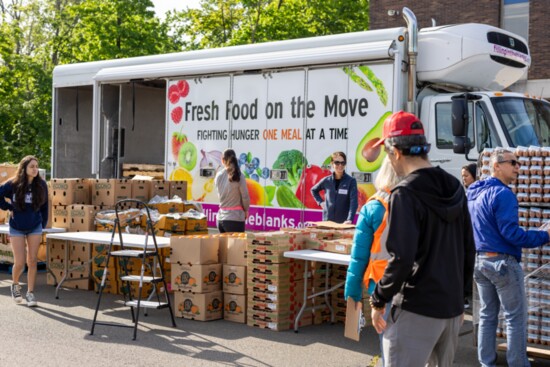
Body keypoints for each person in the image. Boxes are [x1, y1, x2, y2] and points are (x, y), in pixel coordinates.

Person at [368, 111, 475, 366]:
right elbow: (468, 249)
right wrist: (461, 299)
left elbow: (402, 258)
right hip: (450, 309)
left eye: (386, 153)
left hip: (416, 308)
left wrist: (379, 299)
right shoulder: (455, 186)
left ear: (395, 152)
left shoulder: (404, 194)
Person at [467, 148, 550, 367]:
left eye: (518, 163)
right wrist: (544, 235)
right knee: (515, 317)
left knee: (487, 315)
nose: (517, 167)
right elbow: (511, 234)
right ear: (496, 166)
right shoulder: (503, 194)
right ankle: (518, 364)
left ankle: (486, 363)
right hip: (501, 262)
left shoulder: (473, 194)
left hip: (480, 261)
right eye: (512, 163)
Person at [344, 157, 401, 363]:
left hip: (381, 284)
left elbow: (358, 256)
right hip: (415, 284)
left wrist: (352, 291)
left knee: (388, 344)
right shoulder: (417, 203)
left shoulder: (373, 207)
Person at [0, 156, 48, 307]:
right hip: (17, 227)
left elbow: (45, 206)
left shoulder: (41, 184)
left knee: (32, 260)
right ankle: (15, 285)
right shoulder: (13, 184)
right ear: (24, 168)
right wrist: (9, 207)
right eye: (32, 166)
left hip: (35, 226)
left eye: (36, 166)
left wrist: (43, 224)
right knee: (20, 262)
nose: (35, 169)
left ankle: (30, 293)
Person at [311, 151, 358, 224]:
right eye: (337, 163)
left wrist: (349, 219)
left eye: (343, 163)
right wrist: (320, 202)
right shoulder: (326, 180)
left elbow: (354, 202)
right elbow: (313, 190)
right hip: (327, 221)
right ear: (332, 164)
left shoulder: (351, 181)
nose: (340, 165)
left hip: (343, 222)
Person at [214, 149, 250, 233]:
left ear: (222, 161)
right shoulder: (239, 176)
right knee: (237, 246)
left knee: (224, 246)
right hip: (235, 218)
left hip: (220, 219)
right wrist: (246, 210)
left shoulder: (218, 176)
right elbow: (245, 196)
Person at [461, 162, 478, 309]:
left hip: (473, 235)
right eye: (462, 176)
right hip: (466, 234)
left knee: (469, 264)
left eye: (466, 176)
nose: (464, 179)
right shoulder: (465, 193)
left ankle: (466, 295)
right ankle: (464, 296)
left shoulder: (475, 193)